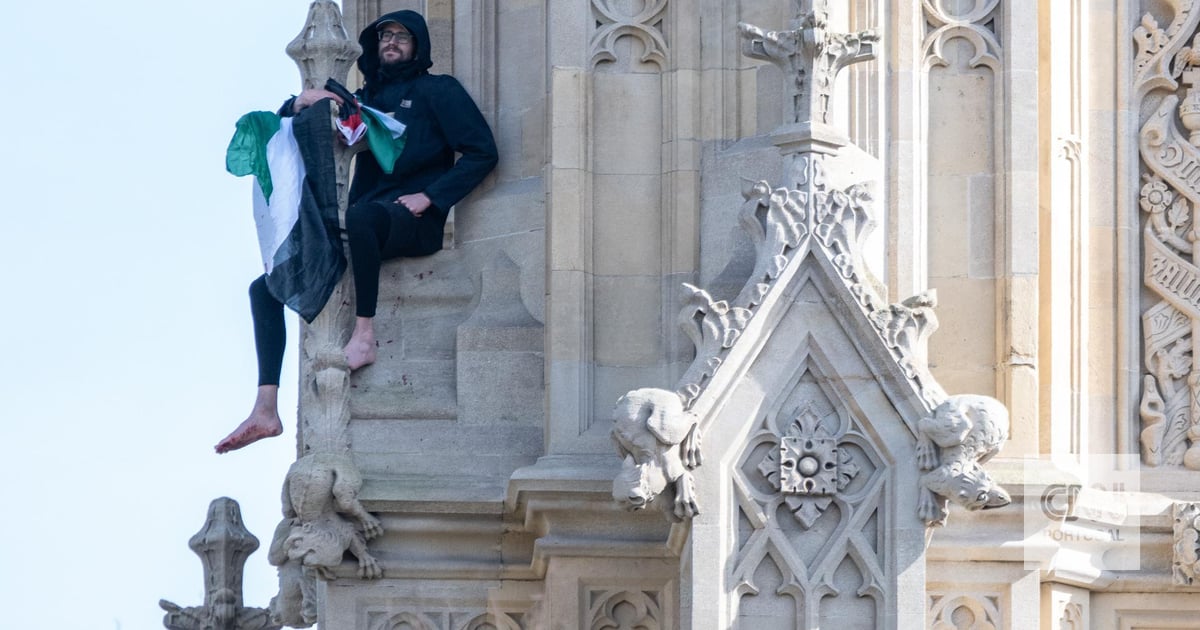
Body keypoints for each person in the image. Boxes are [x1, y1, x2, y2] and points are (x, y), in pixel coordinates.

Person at [216, 10, 498, 453]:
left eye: (401, 37)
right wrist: (297, 104)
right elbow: (297, 127)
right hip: (364, 227)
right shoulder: (362, 99)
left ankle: (364, 335)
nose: (391, 43)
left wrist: (432, 198)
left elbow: (483, 152)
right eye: (384, 36)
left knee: (364, 216)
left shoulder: (437, 91)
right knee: (265, 286)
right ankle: (265, 407)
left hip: (413, 222)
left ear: (418, 45)